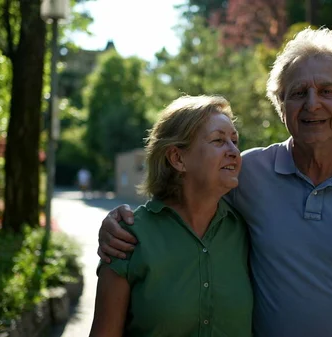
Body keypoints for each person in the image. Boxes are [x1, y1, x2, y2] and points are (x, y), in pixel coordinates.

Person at [100, 27, 332, 336]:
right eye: (298, 93)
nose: (312, 104)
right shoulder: (247, 172)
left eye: (327, 91)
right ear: (281, 106)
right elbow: (185, 200)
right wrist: (119, 222)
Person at [89, 95, 254, 336]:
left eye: (235, 141)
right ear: (177, 158)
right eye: (219, 140)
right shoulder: (128, 238)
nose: (234, 152)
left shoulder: (245, 229)